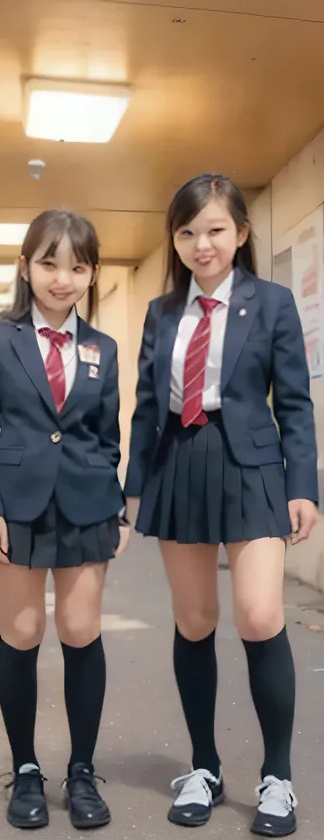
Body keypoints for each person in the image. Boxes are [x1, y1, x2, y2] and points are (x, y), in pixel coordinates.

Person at [125, 174, 318, 837]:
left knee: (260, 614)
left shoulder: (271, 303)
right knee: (196, 617)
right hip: (180, 464)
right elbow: (148, 407)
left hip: (253, 465)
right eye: (186, 231)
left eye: (214, 229)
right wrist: (133, 486)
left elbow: (293, 400)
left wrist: (303, 485)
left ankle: (278, 777)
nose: (200, 243)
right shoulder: (161, 312)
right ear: (174, 240)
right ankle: (204, 766)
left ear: (240, 232)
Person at [0, 209, 130, 830]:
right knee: (25, 630)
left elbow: (106, 438)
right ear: (26, 265)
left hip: (86, 503)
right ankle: (26, 768)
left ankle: (81, 770)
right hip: (15, 503)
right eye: (49, 263)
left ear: (91, 273)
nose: (63, 278)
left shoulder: (102, 349)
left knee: (81, 629)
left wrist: (116, 505)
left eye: (77, 266)